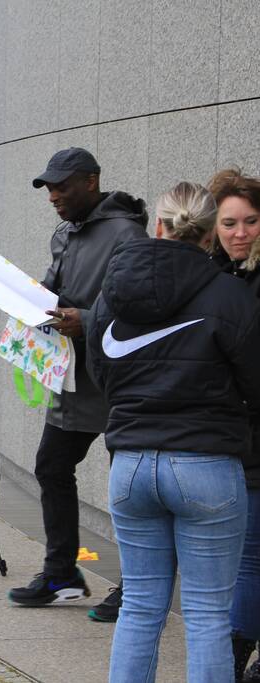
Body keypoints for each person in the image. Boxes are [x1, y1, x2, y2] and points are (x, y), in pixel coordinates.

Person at [84, 181, 260, 683]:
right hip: (207, 465)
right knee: (206, 615)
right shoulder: (228, 294)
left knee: (140, 606)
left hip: (131, 464)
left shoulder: (111, 292)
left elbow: (102, 374)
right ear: (209, 236)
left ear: (158, 226)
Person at [7, 148, 148, 616]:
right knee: (51, 466)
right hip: (70, 377)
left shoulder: (128, 233)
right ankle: (62, 572)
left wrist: (85, 319)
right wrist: (31, 299)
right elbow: (56, 289)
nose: (53, 195)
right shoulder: (65, 231)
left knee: (126, 488)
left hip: (116, 379)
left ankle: (137, 587)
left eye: (62, 185)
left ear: (91, 181)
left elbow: (141, 308)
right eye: (49, 186)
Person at [206, 168, 260, 680]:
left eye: (250, 221)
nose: (240, 232)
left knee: (249, 558)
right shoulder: (218, 277)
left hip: (250, 440)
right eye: (229, 223)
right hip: (231, 439)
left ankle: (234, 656)